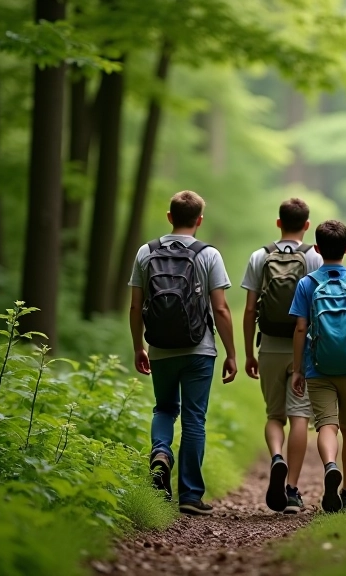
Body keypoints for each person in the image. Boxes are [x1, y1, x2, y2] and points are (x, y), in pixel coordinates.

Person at [129, 190, 238, 517]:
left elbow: (136, 306)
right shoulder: (209, 255)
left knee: (164, 408)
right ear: (199, 219)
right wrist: (232, 353)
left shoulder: (145, 252)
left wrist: (139, 346)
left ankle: (161, 453)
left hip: (160, 347)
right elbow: (220, 309)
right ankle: (190, 495)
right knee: (194, 419)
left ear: (169, 216)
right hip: (199, 349)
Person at [289, 220, 346, 513]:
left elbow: (301, 329)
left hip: (318, 367)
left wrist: (298, 369)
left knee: (326, 425)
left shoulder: (307, 283)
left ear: (316, 248)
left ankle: (330, 464)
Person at [241, 198, 323, 514]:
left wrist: (248, 353)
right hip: (304, 349)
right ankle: (292, 489)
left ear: (278, 223)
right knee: (299, 415)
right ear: (306, 225)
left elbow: (250, 310)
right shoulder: (315, 257)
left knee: (274, 415)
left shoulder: (259, 256)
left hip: (270, 347)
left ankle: (276, 456)